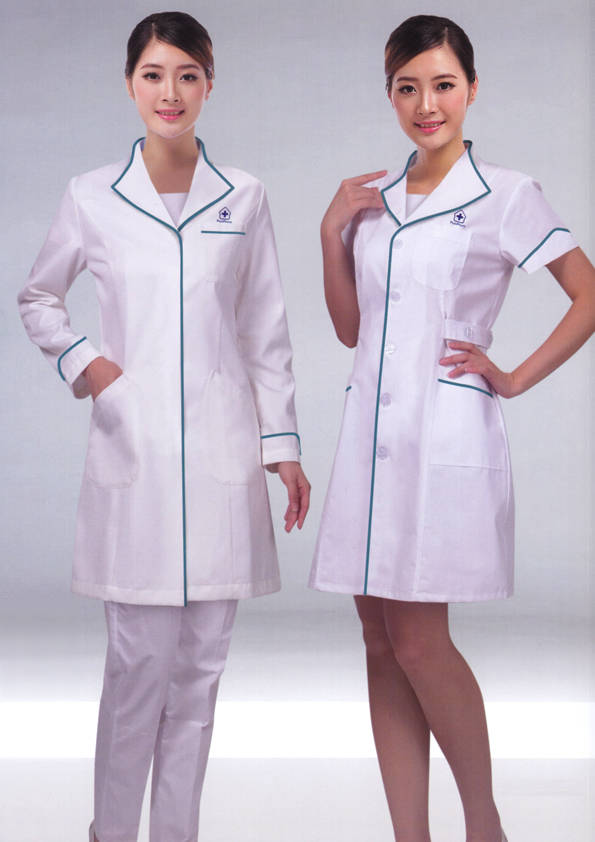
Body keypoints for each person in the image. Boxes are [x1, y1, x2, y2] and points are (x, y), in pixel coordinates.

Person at [18, 11, 310, 842]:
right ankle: (112, 833)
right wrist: (89, 365)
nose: (170, 92)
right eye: (153, 74)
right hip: (135, 454)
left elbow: (264, 330)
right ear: (129, 84)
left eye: (187, 74)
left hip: (222, 458)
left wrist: (282, 447)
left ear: (209, 84)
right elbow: (39, 296)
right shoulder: (91, 195)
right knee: (137, 670)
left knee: (201, 675)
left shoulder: (243, 195)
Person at [309, 14, 594, 842]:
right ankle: (411, 834)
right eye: (407, 88)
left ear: (470, 89)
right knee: (376, 636)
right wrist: (330, 233)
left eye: (441, 85)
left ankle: (482, 824)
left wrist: (513, 376)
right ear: (389, 94)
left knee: (417, 640)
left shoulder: (505, 193)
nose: (425, 105)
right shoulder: (371, 201)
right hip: (368, 439)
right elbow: (351, 329)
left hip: (443, 438)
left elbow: (587, 294)